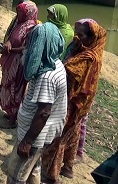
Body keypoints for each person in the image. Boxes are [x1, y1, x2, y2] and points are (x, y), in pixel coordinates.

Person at [42, 19, 107, 182]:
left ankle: (52, 175)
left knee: (60, 135)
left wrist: (71, 52)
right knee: (73, 132)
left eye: (81, 35)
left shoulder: (88, 57)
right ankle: (68, 167)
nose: (77, 37)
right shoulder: (94, 51)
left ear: (92, 38)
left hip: (71, 101)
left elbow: (66, 67)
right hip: (81, 104)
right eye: (76, 33)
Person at [5, 23, 67, 184]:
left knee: (16, 175)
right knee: (33, 169)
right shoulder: (55, 63)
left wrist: (27, 142)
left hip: (35, 137)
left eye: (32, 41)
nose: (28, 44)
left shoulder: (46, 76)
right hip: (39, 135)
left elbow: (44, 112)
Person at [0, 0, 38, 128]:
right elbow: (12, 36)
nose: (19, 15)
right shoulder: (19, 23)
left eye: (21, 13)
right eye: (18, 12)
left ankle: (13, 119)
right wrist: (8, 42)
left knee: (16, 89)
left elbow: (26, 47)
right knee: (7, 86)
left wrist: (11, 50)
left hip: (19, 63)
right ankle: (9, 112)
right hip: (11, 60)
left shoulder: (32, 27)